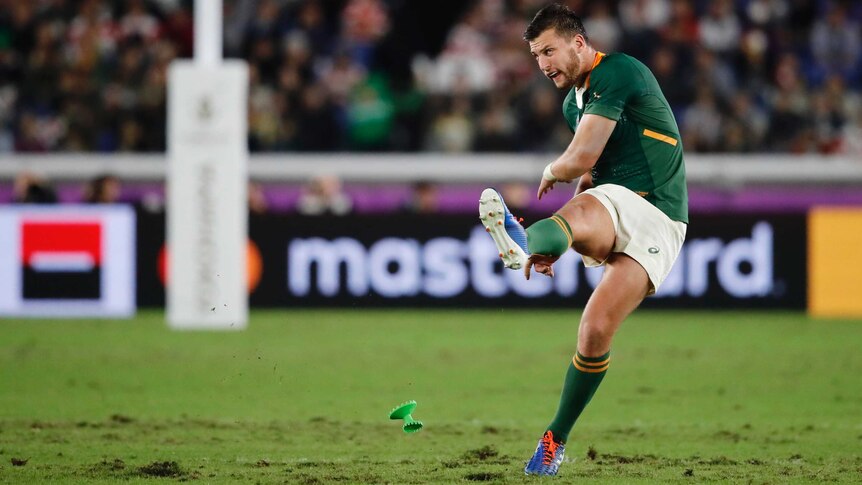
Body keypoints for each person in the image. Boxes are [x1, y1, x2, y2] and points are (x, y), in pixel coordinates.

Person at [479, 4, 688, 476]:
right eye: (535, 55)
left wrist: (552, 171)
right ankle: (553, 442)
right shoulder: (573, 102)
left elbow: (580, 157)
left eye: (549, 50)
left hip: (658, 212)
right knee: (590, 324)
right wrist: (563, 235)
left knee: (595, 325)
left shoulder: (619, 71)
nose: (543, 63)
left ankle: (527, 238)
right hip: (613, 202)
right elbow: (591, 174)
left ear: (578, 43)